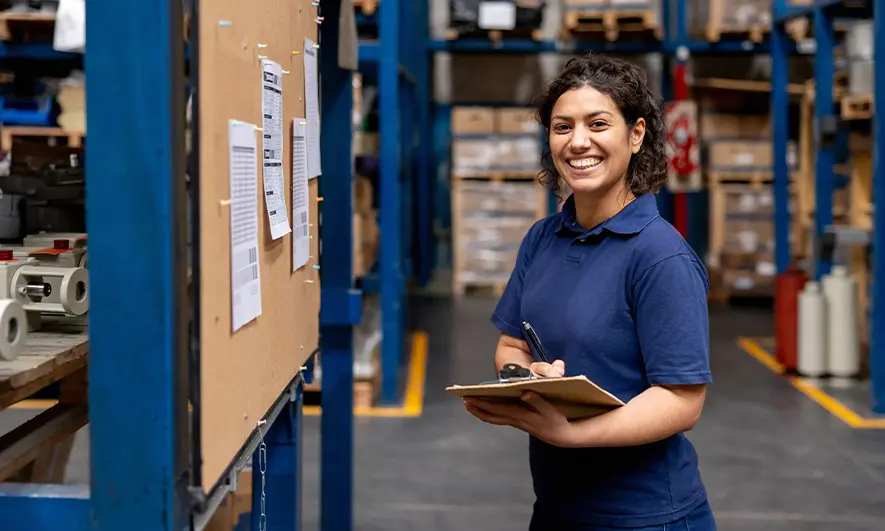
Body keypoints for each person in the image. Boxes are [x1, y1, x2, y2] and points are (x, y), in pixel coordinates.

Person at [462, 54, 716, 530]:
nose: (578, 142)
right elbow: (512, 343)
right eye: (563, 127)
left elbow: (683, 401)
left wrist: (570, 434)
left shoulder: (660, 256)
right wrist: (528, 378)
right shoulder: (542, 239)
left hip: (645, 517)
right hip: (557, 507)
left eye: (598, 124)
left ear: (635, 135)